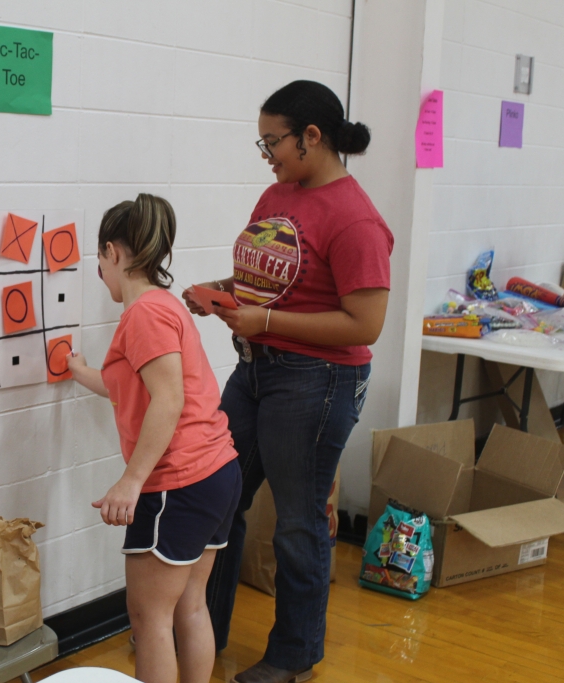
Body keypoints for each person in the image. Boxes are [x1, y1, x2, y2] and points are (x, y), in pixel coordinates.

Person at [182, 80, 393, 683]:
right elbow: (264, 274)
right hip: (256, 367)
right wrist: (221, 292)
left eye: (271, 141)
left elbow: (366, 323)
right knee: (217, 497)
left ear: (312, 136)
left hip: (317, 381)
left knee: (299, 522)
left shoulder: (356, 220)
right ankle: (203, 630)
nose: (267, 154)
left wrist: (266, 320)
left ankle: (293, 657)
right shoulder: (280, 192)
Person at [67, 194, 242, 683]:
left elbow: (167, 402)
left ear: (112, 253)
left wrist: (131, 481)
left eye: (98, 260)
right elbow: (133, 387)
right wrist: (81, 373)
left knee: (150, 620)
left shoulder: (142, 315)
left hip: (178, 483)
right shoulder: (163, 305)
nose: (98, 271)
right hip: (215, 473)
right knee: (189, 607)